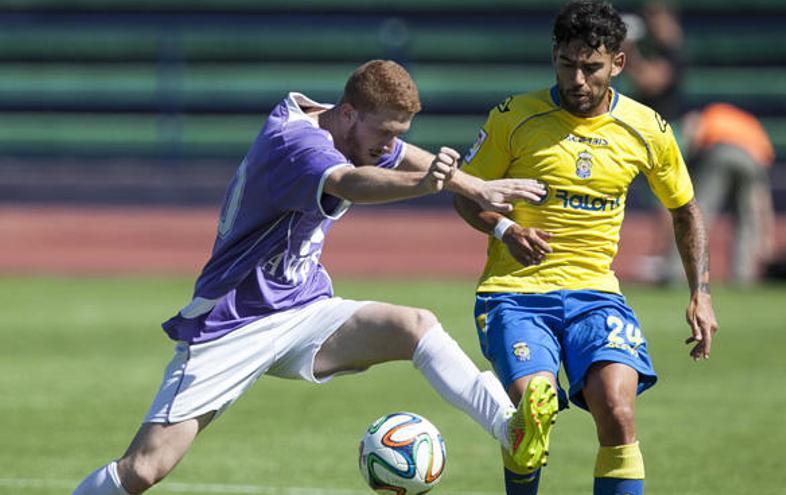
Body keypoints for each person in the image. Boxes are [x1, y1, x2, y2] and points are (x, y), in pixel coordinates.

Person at [72, 59, 554, 495]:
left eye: (395, 133)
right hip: (231, 324)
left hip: (302, 309)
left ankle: (510, 429)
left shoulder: (350, 127)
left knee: (415, 325)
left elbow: (402, 153)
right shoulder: (296, 146)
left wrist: (477, 186)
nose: (388, 146)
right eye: (383, 133)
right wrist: (425, 186)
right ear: (348, 114)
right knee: (144, 468)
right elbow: (352, 184)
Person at [453, 2, 719, 495]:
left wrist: (700, 292)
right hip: (513, 294)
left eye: (591, 67)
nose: (578, 79)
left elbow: (684, 209)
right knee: (536, 406)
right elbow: (466, 196)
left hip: (596, 296)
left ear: (618, 62)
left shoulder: (647, 129)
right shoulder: (514, 118)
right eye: (567, 64)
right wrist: (506, 231)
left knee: (617, 410)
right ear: (554, 55)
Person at [657, 102, 776, 286]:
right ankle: (743, 276)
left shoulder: (711, 113)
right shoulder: (750, 125)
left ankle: (676, 272)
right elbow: (762, 199)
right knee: (747, 221)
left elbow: (693, 133)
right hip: (753, 160)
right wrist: (767, 235)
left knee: (698, 213)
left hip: (721, 152)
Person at [622, 1, 686, 120]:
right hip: (645, 120)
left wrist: (629, 53)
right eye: (648, 15)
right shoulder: (649, 44)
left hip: (665, 122)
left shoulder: (674, 51)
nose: (651, 21)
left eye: (654, 15)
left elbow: (649, 83)